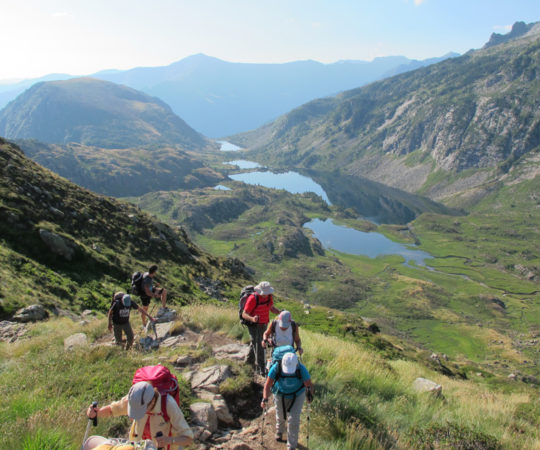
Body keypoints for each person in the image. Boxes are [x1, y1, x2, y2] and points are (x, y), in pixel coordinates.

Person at [86, 381, 193, 450]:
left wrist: (169, 440)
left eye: (141, 410)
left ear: (152, 401)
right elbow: (112, 410)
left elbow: (188, 438)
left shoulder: (169, 405)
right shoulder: (134, 399)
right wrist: (97, 413)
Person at [261, 352, 314, 450]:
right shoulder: (276, 367)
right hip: (280, 393)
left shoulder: (301, 369)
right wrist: (265, 398)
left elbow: (309, 384)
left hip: (297, 395)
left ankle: (291, 446)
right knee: (280, 415)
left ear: (296, 364)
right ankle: (280, 430)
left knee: (293, 420)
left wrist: (309, 396)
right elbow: (267, 385)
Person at [241, 281, 281, 375]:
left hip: (264, 323)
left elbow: (271, 308)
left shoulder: (269, 297)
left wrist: (279, 312)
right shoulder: (253, 298)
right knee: (259, 345)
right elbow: (244, 314)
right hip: (254, 325)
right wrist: (252, 319)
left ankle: (248, 362)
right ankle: (261, 370)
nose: (265, 295)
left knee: (255, 342)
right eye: (264, 293)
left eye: (267, 293)